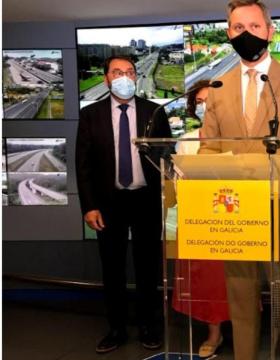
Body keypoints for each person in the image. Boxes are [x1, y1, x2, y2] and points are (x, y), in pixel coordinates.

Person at [198, 1, 280, 359]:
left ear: (270, 30)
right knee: (241, 305)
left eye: (253, 26)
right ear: (228, 34)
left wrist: (278, 181)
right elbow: (209, 150)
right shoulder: (218, 87)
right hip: (235, 215)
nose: (246, 34)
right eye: (238, 28)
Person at [76, 55, 172, 353]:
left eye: (130, 72)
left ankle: (148, 326)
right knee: (113, 269)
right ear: (106, 78)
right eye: (117, 72)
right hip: (108, 203)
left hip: (146, 200)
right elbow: (84, 164)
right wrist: (89, 206)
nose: (125, 77)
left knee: (148, 268)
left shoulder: (154, 112)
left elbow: (167, 157)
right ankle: (116, 329)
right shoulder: (91, 114)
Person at [171, 79, 230, 358]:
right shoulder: (186, 142)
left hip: (234, 220)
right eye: (200, 102)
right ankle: (214, 332)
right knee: (208, 281)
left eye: (211, 101)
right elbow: (179, 185)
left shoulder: (239, 138)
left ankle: (245, 328)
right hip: (200, 220)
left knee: (238, 279)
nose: (206, 107)